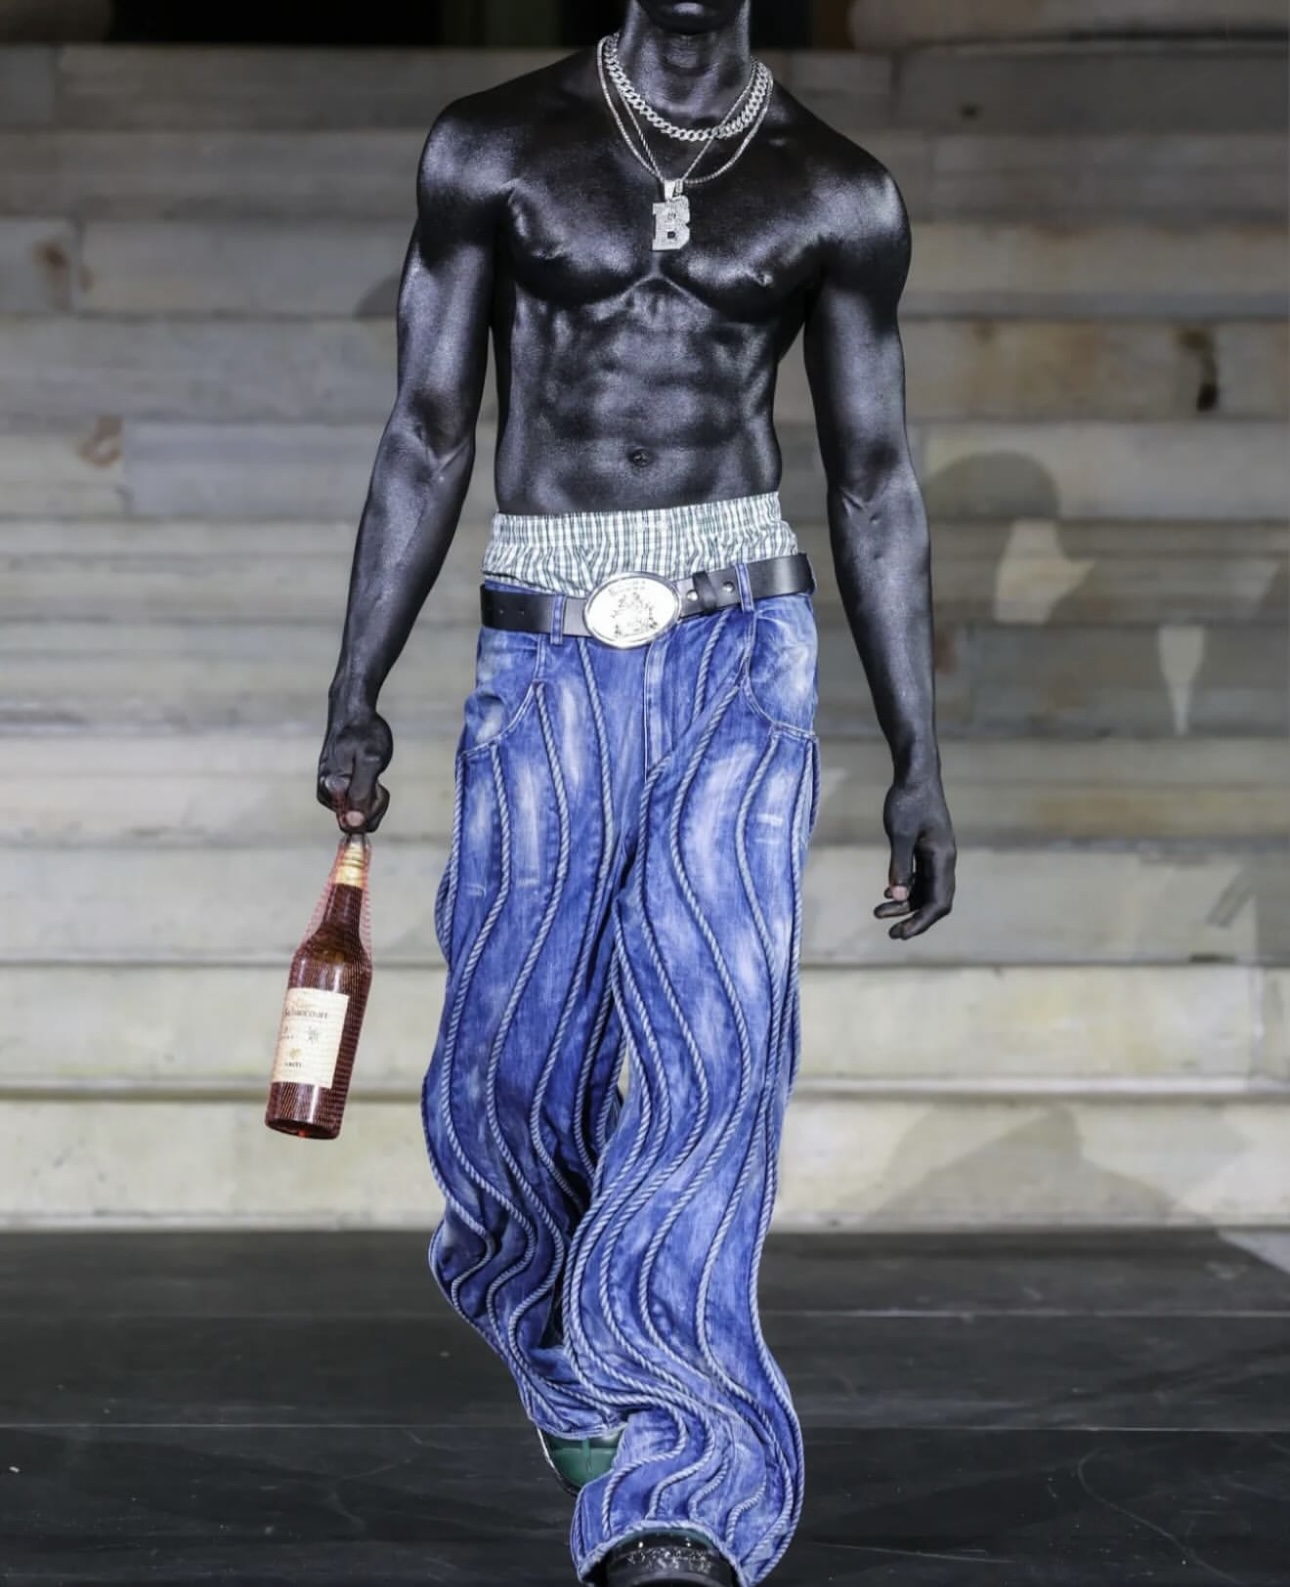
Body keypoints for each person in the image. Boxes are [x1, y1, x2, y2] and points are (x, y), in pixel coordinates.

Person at [317, 3, 957, 1582]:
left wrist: (917, 756)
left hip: (742, 650)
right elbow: (426, 430)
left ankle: (678, 1485)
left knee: (708, 1062)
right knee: (503, 1085)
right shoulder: (494, 144)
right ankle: (564, 1341)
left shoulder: (834, 188)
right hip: (544, 653)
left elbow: (874, 479)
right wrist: (355, 685)